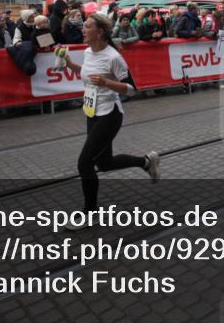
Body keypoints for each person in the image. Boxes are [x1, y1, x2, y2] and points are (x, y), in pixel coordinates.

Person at [61, 14, 160, 215]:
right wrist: (70, 64)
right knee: (104, 163)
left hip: (110, 114)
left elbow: (132, 89)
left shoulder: (114, 57)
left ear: (100, 33)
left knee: (84, 163)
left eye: (87, 26)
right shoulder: (89, 51)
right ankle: (146, 162)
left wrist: (107, 83)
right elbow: (89, 73)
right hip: (92, 112)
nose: (83, 29)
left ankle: (90, 213)